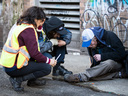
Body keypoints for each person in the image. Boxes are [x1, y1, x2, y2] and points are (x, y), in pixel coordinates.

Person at [0, 6, 57, 91]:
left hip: (10, 63)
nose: (42, 23)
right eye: (41, 21)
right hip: (13, 66)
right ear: (35, 19)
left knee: (45, 57)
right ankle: (17, 80)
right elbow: (34, 53)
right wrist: (50, 61)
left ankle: (32, 81)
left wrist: (39, 27)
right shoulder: (28, 30)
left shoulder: (20, 24)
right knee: (46, 67)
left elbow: (34, 44)